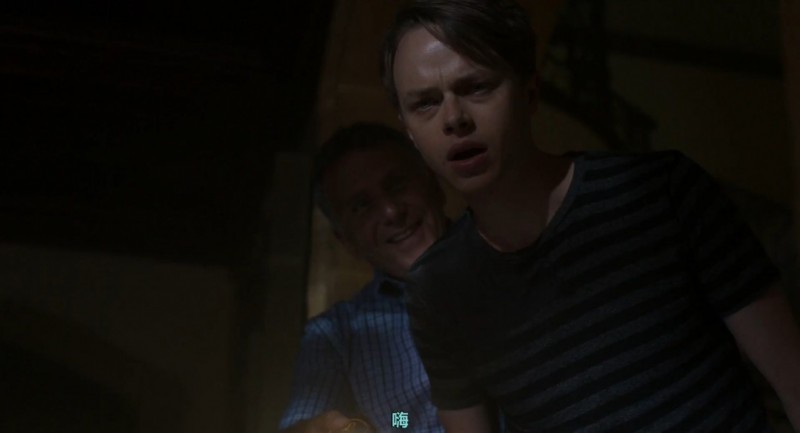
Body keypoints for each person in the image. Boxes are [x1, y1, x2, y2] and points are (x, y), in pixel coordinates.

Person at [380, 1, 800, 432]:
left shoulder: (661, 192)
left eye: (476, 87)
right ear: (409, 131)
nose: (453, 118)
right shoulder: (439, 288)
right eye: (425, 103)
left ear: (529, 93)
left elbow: (793, 380)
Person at [278, 122, 449, 433]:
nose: (391, 211)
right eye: (362, 206)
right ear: (346, 241)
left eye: (398, 185)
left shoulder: (515, 259)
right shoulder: (335, 336)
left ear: (434, 184)